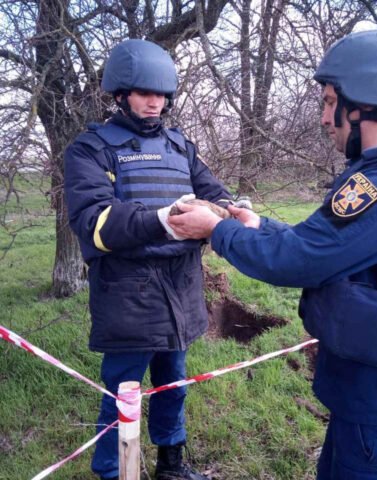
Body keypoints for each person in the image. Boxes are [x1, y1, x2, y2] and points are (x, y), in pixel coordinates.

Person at [168, 30, 377, 479]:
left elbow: (295, 261)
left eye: (330, 101)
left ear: (363, 105)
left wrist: (216, 229)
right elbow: (334, 246)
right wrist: (259, 226)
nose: (323, 118)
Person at [64, 39, 234, 480]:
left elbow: (213, 191)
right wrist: (163, 218)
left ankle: (171, 466)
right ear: (121, 94)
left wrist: (229, 210)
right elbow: (94, 222)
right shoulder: (92, 149)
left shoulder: (181, 147)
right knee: (122, 392)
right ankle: (110, 472)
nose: (154, 102)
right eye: (144, 93)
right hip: (129, 292)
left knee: (173, 385)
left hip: (181, 288)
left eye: (160, 94)